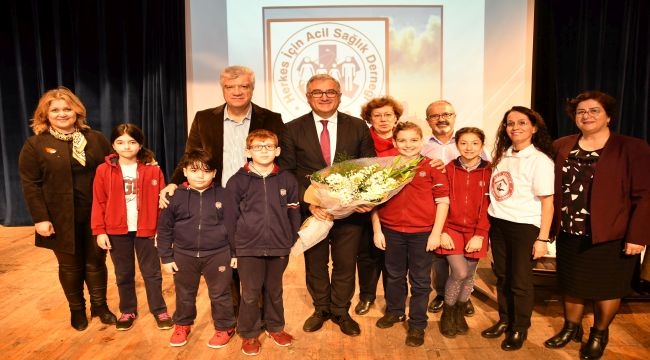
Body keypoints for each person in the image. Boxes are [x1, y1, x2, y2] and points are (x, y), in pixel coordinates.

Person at [159, 65, 286, 315]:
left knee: (252, 260)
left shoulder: (272, 118)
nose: (237, 91)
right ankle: (233, 313)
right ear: (223, 89)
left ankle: (257, 313)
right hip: (216, 198)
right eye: (230, 86)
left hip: (256, 200)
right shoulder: (204, 118)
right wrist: (174, 181)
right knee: (224, 259)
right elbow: (190, 155)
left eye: (243, 86)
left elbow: (283, 160)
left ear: (252, 88)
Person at [543, 91, 650, 360]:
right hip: (569, 231)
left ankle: (599, 333)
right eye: (581, 112)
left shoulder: (632, 147)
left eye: (593, 111)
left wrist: (637, 236)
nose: (586, 116)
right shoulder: (562, 145)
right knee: (571, 284)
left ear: (608, 116)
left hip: (611, 234)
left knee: (608, 288)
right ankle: (571, 328)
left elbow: (644, 195)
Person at [278, 74, 375, 337]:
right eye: (317, 92)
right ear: (308, 97)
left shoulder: (357, 126)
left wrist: (360, 199)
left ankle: (341, 311)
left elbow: (368, 165)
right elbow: (287, 172)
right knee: (316, 263)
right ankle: (321, 308)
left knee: (345, 264)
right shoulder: (291, 128)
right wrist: (309, 205)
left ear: (340, 95)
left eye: (330, 92)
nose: (324, 97)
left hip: (349, 213)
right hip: (314, 212)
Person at [18, 87, 117, 331]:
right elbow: (31, 184)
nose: (62, 114)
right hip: (59, 218)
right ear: (46, 115)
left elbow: (115, 168)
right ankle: (77, 310)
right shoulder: (35, 145)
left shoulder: (96, 139)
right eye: (55, 110)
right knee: (70, 266)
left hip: (96, 214)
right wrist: (40, 218)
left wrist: (145, 162)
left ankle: (100, 307)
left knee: (96, 262)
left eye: (67, 109)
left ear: (77, 111)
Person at [481, 106, 555, 351]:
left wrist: (542, 239)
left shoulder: (539, 160)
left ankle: (519, 328)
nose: (515, 127)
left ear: (534, 128)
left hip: (525, 228)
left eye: (522, 123)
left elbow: (548, 202)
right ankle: (505, 319)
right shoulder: (502, 156)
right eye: (510, 123)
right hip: (499, 225)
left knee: (520, 281)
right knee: (502, 276)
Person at [372, 121, 449, 347]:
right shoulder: (386, 167)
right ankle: (395, 311)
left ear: (422, 141)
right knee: (394, 276)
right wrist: (378, 229)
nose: (408, 144)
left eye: (414, 140)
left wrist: (436, 233)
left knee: (420, 281)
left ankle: (417, 324)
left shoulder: (433, 167)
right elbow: (374, 201)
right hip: (392, 232)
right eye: (402, 140)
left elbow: (443, 202)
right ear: (394, 142)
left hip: (422, 234)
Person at [226, 129, 301, 356]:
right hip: (248, 248)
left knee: (275, 290)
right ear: (248, 152)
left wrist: (291, 238)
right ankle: (249, 333)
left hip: (279, 246)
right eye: (258, 147)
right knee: (250, 292)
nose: (264, 151)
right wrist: (234, 250)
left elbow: (294, 212)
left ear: (277, 150)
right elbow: (230, 219)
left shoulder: (287, 179)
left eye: (269, 146)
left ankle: (275, 327)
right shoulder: (237, 181)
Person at [91, 123, 173, 331]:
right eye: (120, 142)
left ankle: (159, 309)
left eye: (132, 142)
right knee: (123, 273)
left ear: (140, 145)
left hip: (147, 230)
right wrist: (100, 231)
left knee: (152, 273)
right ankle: (128, 310)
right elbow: (99, 201)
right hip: (117, 230)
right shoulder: (103, 170)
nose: (126, 146)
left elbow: (161, 202)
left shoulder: (153, 169)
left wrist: (161, 232)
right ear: (113, 145)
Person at [156, 150, 237, 348]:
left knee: (220, 294)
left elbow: (234, 227)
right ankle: (182, 325)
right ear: (184, 172)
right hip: (184, 255)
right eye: (194, 170)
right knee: (184, 293)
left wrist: (235, 253)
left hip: (218, 254)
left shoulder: (225, 195)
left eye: (206, 171)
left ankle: (225, 327)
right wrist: (166, 257)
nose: (200, 175)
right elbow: (164, 229)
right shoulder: (174, 196)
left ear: (214, 173)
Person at [421, 100, 483, 316]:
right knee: (439, 260)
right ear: (428, 120)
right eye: (435, 116)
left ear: (454, 116)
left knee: (468, 262)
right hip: (438, 214)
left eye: (446, 114)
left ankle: (463, 296)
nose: (441, 119)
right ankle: (441, 294)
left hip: (470, 218)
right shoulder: (421, 147)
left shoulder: (470, 144)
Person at [435, 127, 491, 338]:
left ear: (482, 146)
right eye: (464, 143)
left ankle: (458, 313)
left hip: (477, 232)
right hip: (452, 229)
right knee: (459, 272)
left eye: (475, 143)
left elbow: (488, 205)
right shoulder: (447, 169)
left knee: (469, 276)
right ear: (456, 145)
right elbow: (439, 202)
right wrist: (443, 230)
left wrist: (480, 234)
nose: (469, 148)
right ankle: (447, 314)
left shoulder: (490, 171)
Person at [353, 96, 402, 316]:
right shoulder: (362, 141)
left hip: (399, 210)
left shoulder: (405, 142)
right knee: (368, 257)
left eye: (388, 115)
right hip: (366, 210)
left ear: (396, 118)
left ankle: (394, 300)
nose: (383, 120)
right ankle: (367, 296)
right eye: (377, 115)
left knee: (394, 259)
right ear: (369, 118)